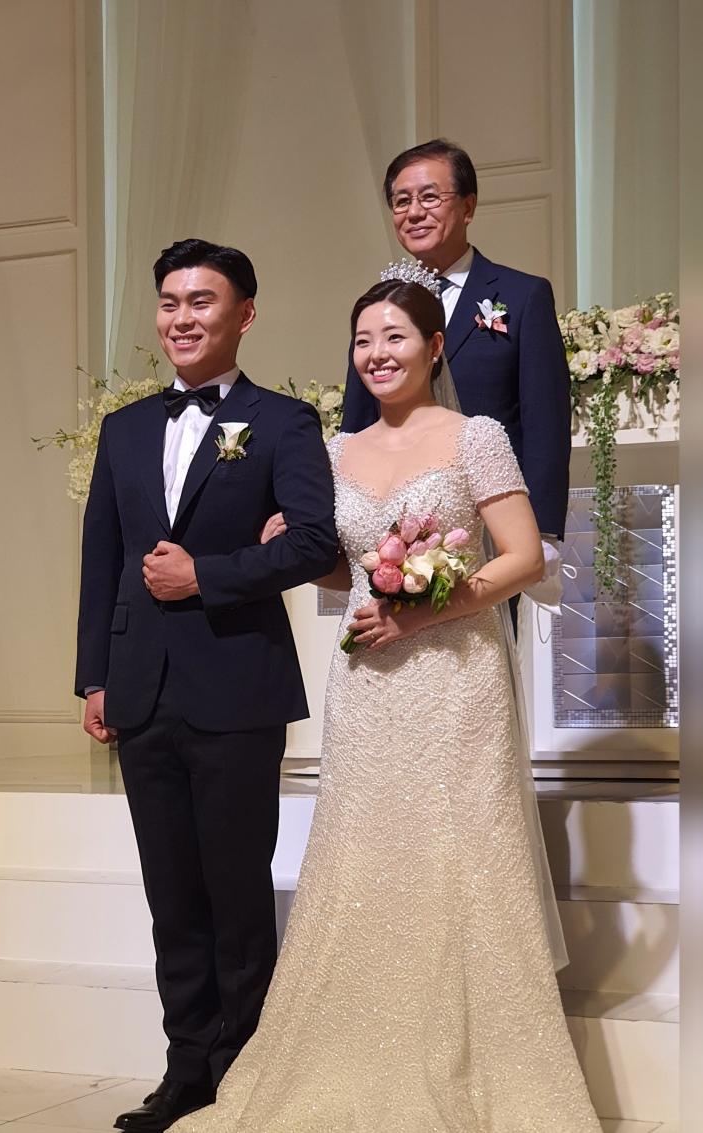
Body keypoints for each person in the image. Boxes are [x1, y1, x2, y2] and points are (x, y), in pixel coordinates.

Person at [170, 276, 600, 1131]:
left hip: (456, 678)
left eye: (395, 336)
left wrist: (424, 610)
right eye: (364, 339)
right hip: (367, 682)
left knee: (459, 853)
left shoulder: (475, 436)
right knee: (365, 854)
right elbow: (348, 568)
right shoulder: (336, 450)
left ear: (434, 347)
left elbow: (523, 556)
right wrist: (295, 549)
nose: (377, 354)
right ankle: (359, 1048)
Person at [75, 238, 339, 1132]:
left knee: (236, 892)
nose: (182, 317)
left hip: (237, 686)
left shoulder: (284, 422)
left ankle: (246, 1072)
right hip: (140, 687)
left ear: (245, 314)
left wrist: (208, 575)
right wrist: (94, 676)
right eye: (170, 302)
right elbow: (103, 558)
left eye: (202, 301)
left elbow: (314, 543)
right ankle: (185, 1068)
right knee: (172, 895)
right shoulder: (123, 428)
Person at [341, 139, 571, 616]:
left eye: (430, 197)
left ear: (468, 206)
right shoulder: (378, 309)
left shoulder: (521, 295)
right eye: (401, 201)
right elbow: (359, 419)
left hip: (489, 526)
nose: (414, 212)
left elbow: (545, 418)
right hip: (392, 535)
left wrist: (543, 530)